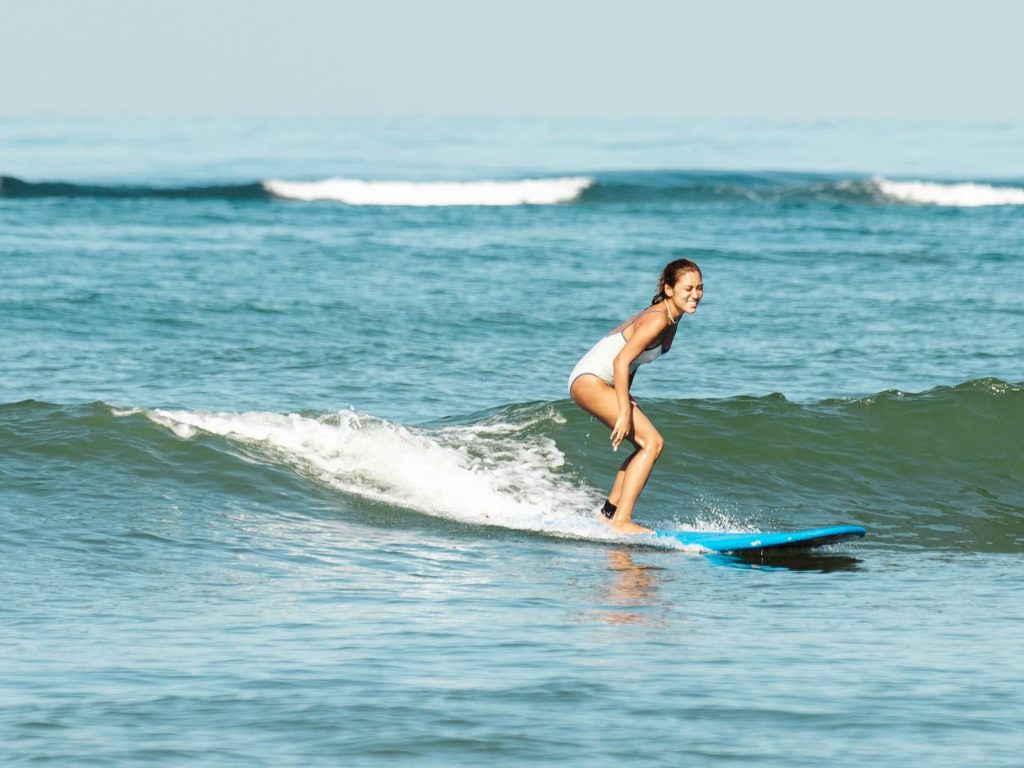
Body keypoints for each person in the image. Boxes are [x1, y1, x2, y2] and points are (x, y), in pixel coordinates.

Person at [568, 259, 703, 534]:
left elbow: (633, 362)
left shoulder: (672, 318)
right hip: (591, 381)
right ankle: (623, 521)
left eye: (700, 288)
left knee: (645, 445)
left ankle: (608, 515)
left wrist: (624, 395)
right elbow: (620, 361)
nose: (696, 294)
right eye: (688, 288)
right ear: (668, 289)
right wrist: (624, 407)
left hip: (599, 381)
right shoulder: (658, 319)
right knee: (652, 443)